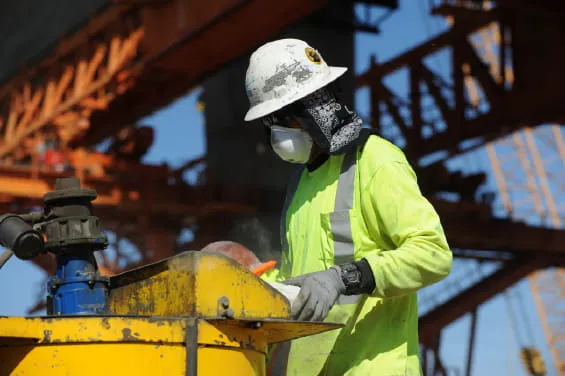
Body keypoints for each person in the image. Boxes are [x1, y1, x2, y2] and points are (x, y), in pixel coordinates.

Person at [244, 38, 453, 376]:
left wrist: (343, 278)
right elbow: (302, 280)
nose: (275, 133)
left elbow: (433, 254)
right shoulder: (301, 185)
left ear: (308, 112)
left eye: (279, 121)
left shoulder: (377, 161)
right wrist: (248, 279)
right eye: (269, 124)